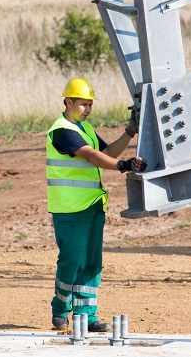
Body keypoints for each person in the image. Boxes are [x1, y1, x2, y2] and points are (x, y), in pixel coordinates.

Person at [46, 77, 146, 332]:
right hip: (69, 209)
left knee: (92, 261)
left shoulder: (85, 129)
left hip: (92, 205)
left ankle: (86, 314)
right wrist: (122, 166)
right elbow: (91, 156)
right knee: (72, 260)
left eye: (89, 104)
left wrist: (129, 132)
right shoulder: (62, 130)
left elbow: (107, 153)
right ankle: (60, 307)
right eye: (82, 104)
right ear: (67, 101)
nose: (87, 109)